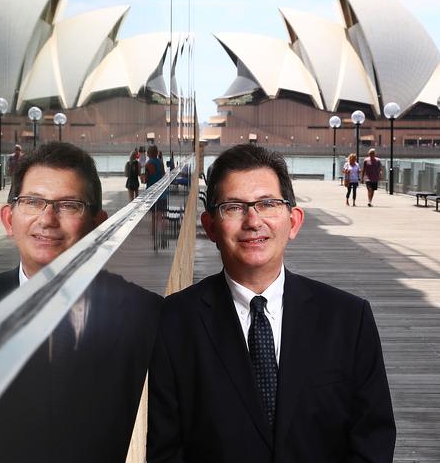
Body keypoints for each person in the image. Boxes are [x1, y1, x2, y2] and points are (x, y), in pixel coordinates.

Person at [147, 144, 395, 462]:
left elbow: (373, 440)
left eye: (267, 204)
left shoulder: (349, 319)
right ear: (210, 226)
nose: (253, 220)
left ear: (293, 221)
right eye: (234, 207)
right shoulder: (174, 321)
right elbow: (165, 450)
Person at [0, 141, 162, 461]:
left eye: (69, 205)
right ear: (8, 219)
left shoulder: (149, 317)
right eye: (33, 202)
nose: (47, 219)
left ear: (99, 226)